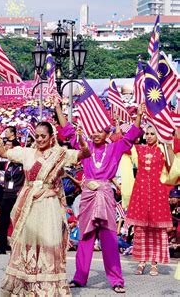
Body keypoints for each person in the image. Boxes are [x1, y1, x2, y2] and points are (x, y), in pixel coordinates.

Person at [56, 100, 144, 294]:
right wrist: (57, 108)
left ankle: (116, 280)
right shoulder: (85, 146)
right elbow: (68, 131)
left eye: (99, 131)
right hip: (88, 195)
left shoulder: (114, 148)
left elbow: (130, 137)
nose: (95, 134)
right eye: (92, 131)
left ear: (107, 133)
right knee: (86, 237)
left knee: (110, 239)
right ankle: (80, 277)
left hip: (105, 195)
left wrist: (139, 116)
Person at [0, 121, 90, 296]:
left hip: (48, 205)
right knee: (27, 244)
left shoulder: (59, 154)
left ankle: (46, 289)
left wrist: (82, 141)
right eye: (37, 136)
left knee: (47, 244)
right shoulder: (27, 153)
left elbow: (84, 154)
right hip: (29, 204)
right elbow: (2, 153)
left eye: (43, 136)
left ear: (51, 137)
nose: (39, 139)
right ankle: (27, 287)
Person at [126, 126, 173, 276]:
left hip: (157, 193)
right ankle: (141, 261)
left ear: (159, 135)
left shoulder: (162, 150)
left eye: (153, 133)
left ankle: (154, 263)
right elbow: (126, 142)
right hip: (140, 192)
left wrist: (167, 143)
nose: (149, 136)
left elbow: (172, 165)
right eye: (147, 133)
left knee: (156, 229)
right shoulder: (139, 149)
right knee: (140, 229)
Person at [0, 137, 24, 255]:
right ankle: (1, 247)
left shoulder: (24, 164)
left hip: (18, 196)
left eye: (10, 147)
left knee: (19, 222)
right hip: (6, 195)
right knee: (3, 221)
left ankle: (20, 248)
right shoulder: (7, 164)